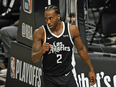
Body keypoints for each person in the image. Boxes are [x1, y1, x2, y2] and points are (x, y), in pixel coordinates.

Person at [32, 5, 96, 87]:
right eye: (46, 19)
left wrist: (91, 69)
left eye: (51, 18)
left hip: (67, 76)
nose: (48, 22)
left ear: (58, 16)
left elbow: (81, 49)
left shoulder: (72, 30)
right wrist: (41, 51)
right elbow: (34, 58)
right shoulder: (40, 33)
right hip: (50, 78)